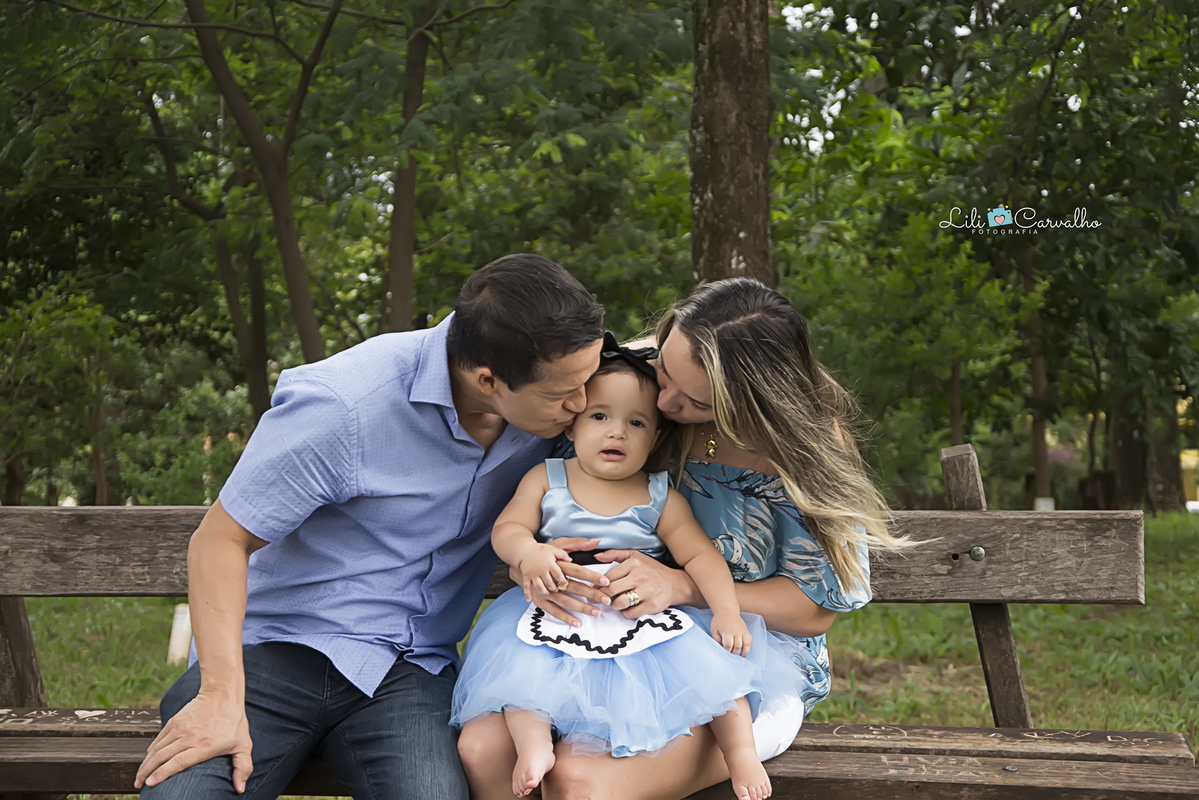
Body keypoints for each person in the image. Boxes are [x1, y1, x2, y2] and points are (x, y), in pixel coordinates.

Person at [135, 254, 605, 799]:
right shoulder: (344, 407)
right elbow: (220, 539)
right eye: (561, 395)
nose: (582, 404)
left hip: (408, 672)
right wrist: (219, 695)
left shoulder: (555, 380)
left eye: (589, 379)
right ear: (487, 379)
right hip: (270, 653)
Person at [457, 277, 908, 800]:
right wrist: (531, 562)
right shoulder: (635, 372)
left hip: (736, 656)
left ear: (753, 401)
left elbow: (814, 610)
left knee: (579, 781)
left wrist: (683, 586)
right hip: (594, 630)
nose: (664, 399)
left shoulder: (805, 448)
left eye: (694, 401)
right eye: (665, 373)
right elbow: (548, 490)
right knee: (483, 749)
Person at [451, 341, 785, 800]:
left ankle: (741, 753)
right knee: (523, 678)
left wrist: (726, 612)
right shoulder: (549, 478)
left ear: (655, 437)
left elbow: (701, 557)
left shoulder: (659, 495)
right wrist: (528, 554)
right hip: (558, 612)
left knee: (714, 680)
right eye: (600, 417)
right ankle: (535, 748)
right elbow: (508, 527)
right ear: (574, 423)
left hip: (636, 620)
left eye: (636, 422)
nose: (618, 433)